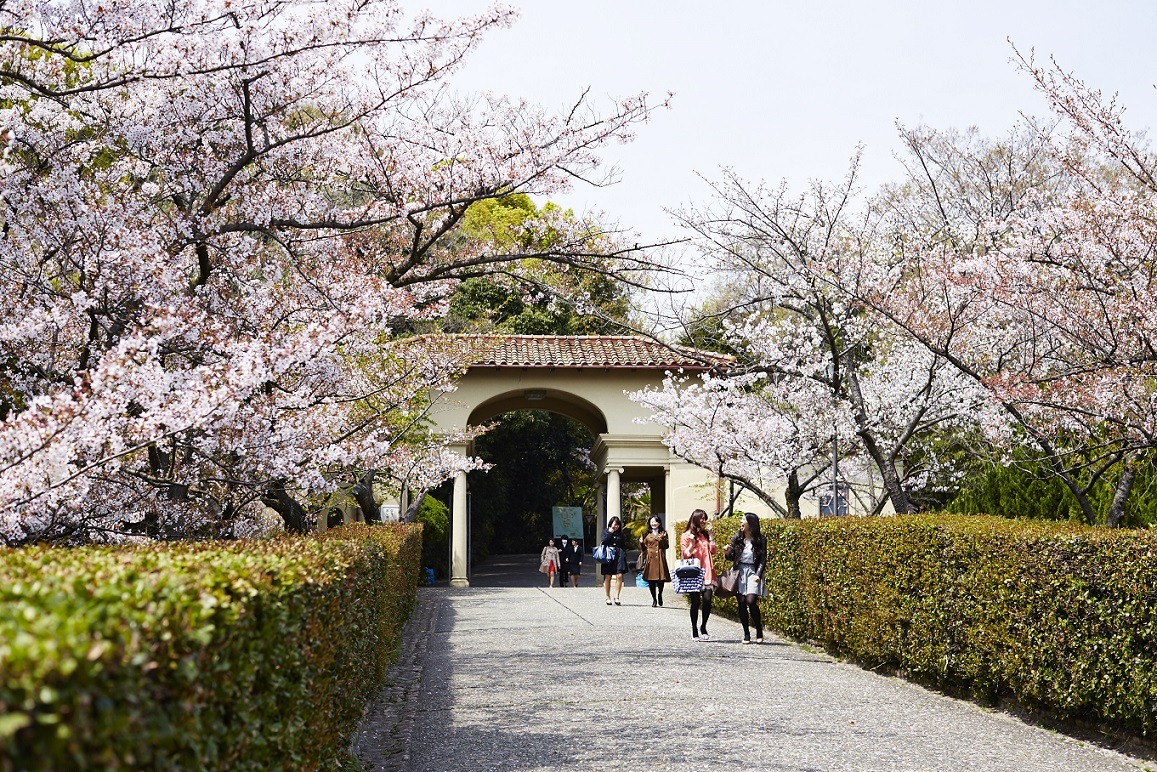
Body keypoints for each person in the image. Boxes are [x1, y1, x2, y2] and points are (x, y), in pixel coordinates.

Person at [725, 512, 767, 644]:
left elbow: (763, 559)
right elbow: (732, 557)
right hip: (739, 571)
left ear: (751, 523)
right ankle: (746, 633)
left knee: (751, 601)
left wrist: (758, 574)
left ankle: (759, 629)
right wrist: (727, 552)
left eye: (743, 520)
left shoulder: (760, 539)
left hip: (753, 572)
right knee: (741, 602)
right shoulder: (737, 537)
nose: (741, 522)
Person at [679, 509, 717, 641]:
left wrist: (711, 535)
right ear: (695, 519)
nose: (704, 521)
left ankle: (703, 626)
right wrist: (692, 543)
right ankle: (694, 628)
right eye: (702, 518)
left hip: (707, 571)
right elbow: (685, 555)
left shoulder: (705, 534)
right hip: (693, 572)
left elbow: (713, 551)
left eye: (705, 518)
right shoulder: (686, 535)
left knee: (707, 600)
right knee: (695, 602)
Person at [638, 515, 671, 607]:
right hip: (651, 558)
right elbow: (643, 548)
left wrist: (662, 539)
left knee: (661, 580)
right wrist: (641, 543)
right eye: (652, 522)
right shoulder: (647, 534)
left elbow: (666, 546)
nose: (653, 523)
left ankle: (660, 594)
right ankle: (654, 599)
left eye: (655, 521)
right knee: (651, 580)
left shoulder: (663, 533)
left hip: (660, 557)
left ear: (659, 523)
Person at [599, 516, 629, 605]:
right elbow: (604, 541)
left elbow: (623, 545)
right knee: (608, 576)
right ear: (610, 524)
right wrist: (610, 532)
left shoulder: (621, 534)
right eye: (614, 524)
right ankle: (607, 597)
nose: (616, 526)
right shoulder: (605, 532)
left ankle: (617, 597)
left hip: (619, 555)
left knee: (619, 575)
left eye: (617, 525)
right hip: (608, 556)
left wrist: (624, 554)